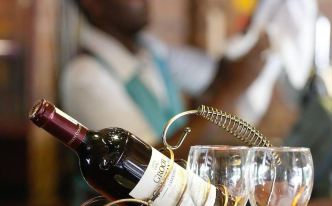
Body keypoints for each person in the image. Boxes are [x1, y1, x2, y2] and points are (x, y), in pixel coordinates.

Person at [60, 0, 222, 148]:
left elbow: (208, 74)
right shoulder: (85, 77)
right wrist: (230, 92)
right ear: (92, 3)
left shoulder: (149, 50)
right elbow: (144, 166)